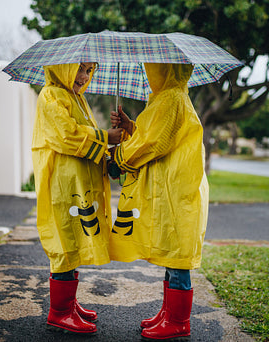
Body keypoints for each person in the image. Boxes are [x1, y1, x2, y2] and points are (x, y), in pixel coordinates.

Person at [109, 63, 209, 341]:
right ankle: (169, 313)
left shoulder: (170, 98)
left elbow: (153, 142)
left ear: (165, 69)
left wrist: (119, 159)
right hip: (175, 188)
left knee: (177, 256)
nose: (148, 72)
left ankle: (179, 321)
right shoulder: (168, 97)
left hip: (178, 189)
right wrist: (131, 126)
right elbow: (153, 133)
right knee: (171, 253)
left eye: (153, 68)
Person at [32, 62, 123, 334]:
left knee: (74, 239)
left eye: (89, 70)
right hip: (63, 183)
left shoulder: (77, 97)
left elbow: (85, 138)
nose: (84, 77)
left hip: (78, 182)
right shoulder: (50, 95)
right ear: (62, 68)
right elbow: (66, 136)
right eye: (79, 69)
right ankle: (59, 312)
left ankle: (68, 304)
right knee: (64, 242)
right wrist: (107, 135)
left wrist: (110, 148)